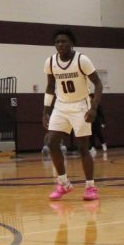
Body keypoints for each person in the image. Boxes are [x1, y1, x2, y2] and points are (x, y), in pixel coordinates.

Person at [43, 29, 105, 202]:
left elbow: (98, 85)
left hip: (80, 105)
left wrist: (93, 108)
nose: (60, 45)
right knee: (52, 142)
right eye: (57, 42)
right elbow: (49, 87)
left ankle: (91, 187)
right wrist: (45, 111)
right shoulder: (50, 62)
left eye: (64, 41)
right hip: (61, 105)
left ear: (72, 43)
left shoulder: (81, 60)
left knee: (82, 147)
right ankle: (63, 184)